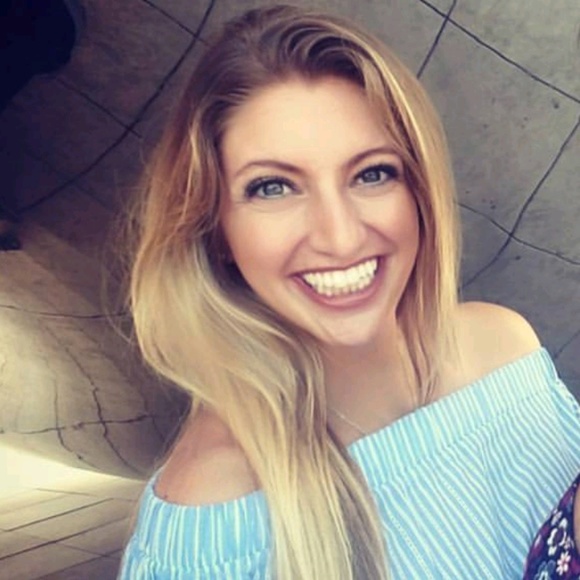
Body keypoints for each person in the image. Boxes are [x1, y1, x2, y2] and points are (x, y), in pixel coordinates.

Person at [118, 5, 580, 579]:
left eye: (372, 173)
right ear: (215, 231)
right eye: (273, 187)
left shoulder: (506, 349)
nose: (339, 237)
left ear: (419, 192)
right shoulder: (211, 513)